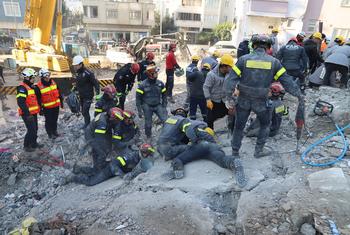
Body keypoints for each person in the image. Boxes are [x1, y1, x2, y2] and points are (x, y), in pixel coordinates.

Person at [224, 34, 303, 160]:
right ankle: (258, 151)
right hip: (261, 102)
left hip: (243, 100)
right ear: (268, 47)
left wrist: (229, 98)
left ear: (253, 45)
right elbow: (287, 80)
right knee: (265, 124)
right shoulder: (274, 62)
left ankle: (235, 152)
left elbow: (230, 80)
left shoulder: (243, 59)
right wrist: (298, 94)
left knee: (239, 126)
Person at [70, 143, 155, 186]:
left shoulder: (139, 157)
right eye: (148, 153)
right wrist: (122, 175)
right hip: (110, 169)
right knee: (91, 182)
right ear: (143, 152)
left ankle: (78, 169)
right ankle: (72, 178)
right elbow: (115, 164)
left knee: (95, 171)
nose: (148, 156)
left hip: (112, 167)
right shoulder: (130, 157)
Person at [74, 107, 124, 175]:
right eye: (117, 119)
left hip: (104, 131)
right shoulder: (102, 122)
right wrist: (104, 150)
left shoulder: (111, 119)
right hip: (91, 135)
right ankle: (97, 169)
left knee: (107, 148)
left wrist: (115, 144)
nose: (118, 121)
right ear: (112, 117)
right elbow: (99, 139)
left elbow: (114, 133)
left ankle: (101, 165)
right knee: (100, 151)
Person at [136, 65, 167, 139]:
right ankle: (148, 137)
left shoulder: (160, 83)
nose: (156, 74)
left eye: (156, 72)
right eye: (155, 73)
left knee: (166, 121)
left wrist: (164, 106)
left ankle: (166, 136)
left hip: (157, 105)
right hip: (147, 106)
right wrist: (140, 111)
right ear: (150, 74)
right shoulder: (142, 85)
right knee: (148, 124)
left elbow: (164, 95)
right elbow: (138, 99)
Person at [203, 54, 233, 130]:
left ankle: (227, 130)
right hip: (213, 101)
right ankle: (210, 134)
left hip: (224, 100)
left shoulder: (229, 74)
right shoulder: (211, 75)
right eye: (230, 67)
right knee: (210, 119)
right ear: (224, 66)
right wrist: (208, 99)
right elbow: (206, 87)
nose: (231, 68)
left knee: (231, 115)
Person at [16, 68, 42, 152]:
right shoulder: (22, 88)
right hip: (26, 114)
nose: (34, 79)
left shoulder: (31, 87)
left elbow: (36, 99)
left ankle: (33, 143)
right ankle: (26, 146)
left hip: (33, 112)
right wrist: (27, 114)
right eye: (32, 77)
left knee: (35, 128)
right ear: (27, 78)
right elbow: (21, 102)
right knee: (31, 130)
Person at [72, 55, 100, 128]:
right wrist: (75, 88)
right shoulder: (78, 73)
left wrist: (98, 94)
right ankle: (86, 123)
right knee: (83, 112)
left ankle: (87, 125)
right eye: (74, 65)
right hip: (81, 96)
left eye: (76, 65)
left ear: (81, 64)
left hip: (88, 96)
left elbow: (96, 83)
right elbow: (79, 83)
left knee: (85, 111)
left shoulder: (88, 73)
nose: (74, 67)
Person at [35, 68, 63, 139]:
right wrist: (40, 109)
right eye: (46, 75)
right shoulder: (38, 87)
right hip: (47, 108)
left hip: (56, 106)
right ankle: (50, 133)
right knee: (49, 121)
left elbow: (58, 92)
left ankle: (55, 131)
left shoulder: (53, 82)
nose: (48, 77)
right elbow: (38, 99)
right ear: (42, 77)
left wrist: (61, 102)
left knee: (55, 119)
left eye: (48, 75)